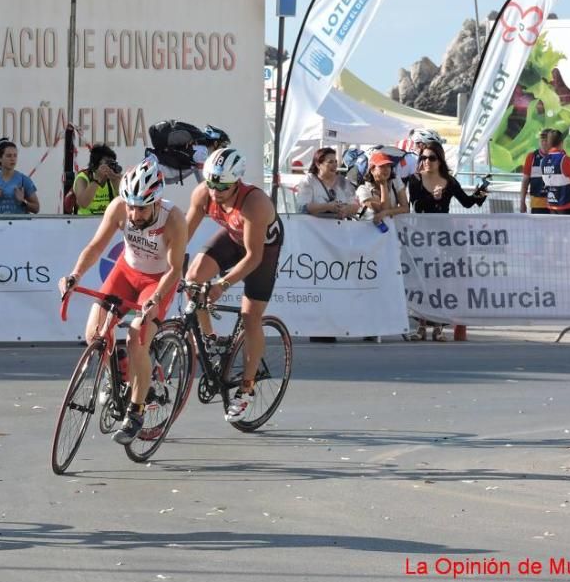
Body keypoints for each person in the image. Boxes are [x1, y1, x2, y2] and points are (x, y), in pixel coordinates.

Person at [59, 158, 187, 444]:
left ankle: (136, 410)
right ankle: (116, 374)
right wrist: (75, 275)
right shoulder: (119, 208)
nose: (133, 213)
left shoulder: (174, 219)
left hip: (157, 281)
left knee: (135, 337)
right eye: (130, 204)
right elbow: (95, 246)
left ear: (155, 202)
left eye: (140, 207)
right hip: (126, 272)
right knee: (94, 333)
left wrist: (154, 299)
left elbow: (176, 269)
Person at [184, 147, 284, 423]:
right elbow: (181, 236)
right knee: (193, 281)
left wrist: (222, 285)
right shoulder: (204, 193)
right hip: (232, 237)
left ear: (237, 181)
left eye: (222, 186)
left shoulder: (256, 203)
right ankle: (210, 339)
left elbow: (253, 257)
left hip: (261, 250)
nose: (215, 191)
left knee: (250, 316)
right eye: (211, 183)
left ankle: (247, 387)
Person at [406, 140, 486, 341]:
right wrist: (432, 198)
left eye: (431, 158)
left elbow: (467, 203)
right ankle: (421, 325)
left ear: (440, 160)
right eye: (423, 158)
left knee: (441, 281)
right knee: (422, 281)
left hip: (444, 236)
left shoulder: (449, 181)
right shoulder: (415, 180)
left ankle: (439, 327)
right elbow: (415, 206)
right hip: (421, 236)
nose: (426, 162)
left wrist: (481, 193)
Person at [297, 146, 360, 219]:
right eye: (330, 162)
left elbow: (355, 206)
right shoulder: (309, 180)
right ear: (318, 164)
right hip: (313, 227)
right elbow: (303, 208)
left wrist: (346, 210)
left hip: (340, 227)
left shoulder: (343, 181)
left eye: (335, 161)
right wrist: (327, 207)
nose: (335, 165)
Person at [0, 139, 40, 215]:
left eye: (15, 155)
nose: (13, 159)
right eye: (8, 156)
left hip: (21, 225)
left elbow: (36, 208)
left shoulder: (24, 180)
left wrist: (22, 202)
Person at [355, 151, 410, 225]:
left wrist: (386, 212)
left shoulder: (395, 180)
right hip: (370, 230)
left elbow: (406, 208)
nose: (386, 169)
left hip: (391, 228)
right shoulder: (363, 190)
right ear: (372, 170)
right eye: (382, 166)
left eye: (388, 166)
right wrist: (383, 184)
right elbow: (382, 209)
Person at [542, 129, 570, 215]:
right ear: (561, 142)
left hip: (552, 206)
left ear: (549, 143)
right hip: (568, 206)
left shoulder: (543, 161)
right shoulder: (565, 160)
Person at [72, 144, 122, 215]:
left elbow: (125, 202)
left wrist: (115, 179)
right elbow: (83, 203)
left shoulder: (112, 178)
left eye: (112, 163)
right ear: (95, 165)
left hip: (107, 221)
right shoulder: (83, 178)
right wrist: (97, 179)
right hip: (84, 221)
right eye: (107, 163)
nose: (110, 167)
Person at [519, 129, 551, 214]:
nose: (544, 143)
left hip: (557, 205)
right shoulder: (531, 157)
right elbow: (525, 182)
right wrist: (522, 202)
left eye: (547, 140)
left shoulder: (559, 157)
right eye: (542, 140)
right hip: (537, 205)